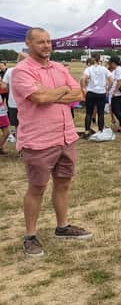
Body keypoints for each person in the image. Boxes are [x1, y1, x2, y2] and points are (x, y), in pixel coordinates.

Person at [12, 28, 92, 257]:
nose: (46, 46)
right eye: (40, 42)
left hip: (66, 136)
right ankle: (30, 235)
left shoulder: (59, 67)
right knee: (37, 187)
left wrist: (55, 93)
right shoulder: (22, 71)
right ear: (28, 44)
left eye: (48, 41)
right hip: (39, 140)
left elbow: (78, 94)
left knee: (63, 183)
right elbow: (38, 98)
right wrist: (61, 92)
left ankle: (62, 226)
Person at [81, 56, 112, 140]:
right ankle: (101, 131)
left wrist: (84, 88)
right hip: (101, 93)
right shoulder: (104, 69)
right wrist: (108, 89)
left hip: (91, 92)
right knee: (101, 113)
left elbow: (83, 78)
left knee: (88, 113)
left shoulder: (89, 69)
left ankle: (87, 131)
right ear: (99, 60)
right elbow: (111, 80)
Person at [2, 52, 28, 143]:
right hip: (27, 104)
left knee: (18, 126)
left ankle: (20, 148)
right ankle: (25, 147)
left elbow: (4, 86)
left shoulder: (9, 71)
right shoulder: (29, 71)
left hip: (13, 103)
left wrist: (11, 88)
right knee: (27, 126)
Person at [107, 55, 121, 132]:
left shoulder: (118, 70)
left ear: (113, 63)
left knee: (115, 109)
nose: (109, 64)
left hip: (117, 93)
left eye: (110, 62)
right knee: (119, 110)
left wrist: (114, 91)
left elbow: (120, 81)